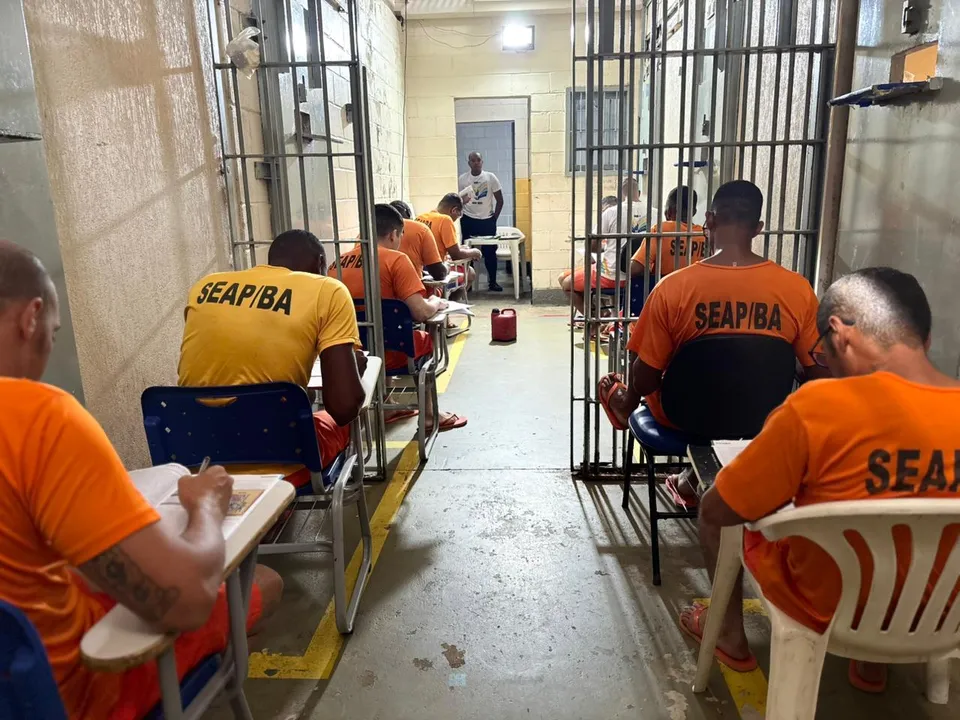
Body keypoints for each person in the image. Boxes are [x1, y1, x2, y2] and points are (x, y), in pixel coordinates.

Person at [0, 240, 283, 720]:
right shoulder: (38, 421)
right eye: (53, 333)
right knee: (263, 584)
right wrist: (206, 505)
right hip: (66, 697)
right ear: (31, 318)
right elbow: (185, 601)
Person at [681, 267, 960, 693]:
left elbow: (722, 508)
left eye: (824, 353)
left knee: (714, 512)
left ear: (842, 336)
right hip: (942, 614)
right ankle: (872, 666)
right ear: (926, 339)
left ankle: (730, 636)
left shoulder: (816, 410)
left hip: (829, 608)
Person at [599, 180, 828, 507]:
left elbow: (646, 380)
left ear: (708, 220)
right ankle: (694, 480)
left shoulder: (672, 289)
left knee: (645, 372)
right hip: (762, 418)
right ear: (758, 228)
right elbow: (820, 375)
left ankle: (625, 406)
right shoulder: (798, 290)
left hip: (682, 416)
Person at [179, 229, 366, 486]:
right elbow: (344, 408)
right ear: (321, 263)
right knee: (343, 422)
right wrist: (353, 368)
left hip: (197, 459)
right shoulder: (328, 290)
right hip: (282, 461)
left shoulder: (206, 285)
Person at [336, 203, 468, 432]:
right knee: (421, 339)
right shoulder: (396, 260)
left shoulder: (337, 263)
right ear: (394, 234)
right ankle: (429, 415)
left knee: (380, 330)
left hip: (351, 354)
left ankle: (387, 402)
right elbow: (420, 312)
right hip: (394, 353)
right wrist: (436, 302)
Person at [559, 177, 658, 320]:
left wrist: (608, 246)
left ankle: (595, 319)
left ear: (621, 194)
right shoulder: (656, 214)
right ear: (639, 192)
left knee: (567, 284)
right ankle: (607, 317)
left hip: (612, 276)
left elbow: (592, 247)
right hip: (644, 276)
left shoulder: (611, 212)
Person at [631, 186, 707, 280]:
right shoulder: (704, 235)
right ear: (694, 212)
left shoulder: (661, 230)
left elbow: (634, 269)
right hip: (696, 288)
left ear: (669, 211)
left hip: (665, 287)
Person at [417, 193, 481, 300]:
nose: (456, 219)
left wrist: (460, 248)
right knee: (470, 273)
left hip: (419, 269)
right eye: (458, 215)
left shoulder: (420, 218)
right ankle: (449, 303)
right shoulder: (445, 220)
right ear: (454, 210)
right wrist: (475, 252)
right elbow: (456, 255)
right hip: (435, 269)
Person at [458, 152, 505, 292]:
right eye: (473, 160)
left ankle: (493, 282)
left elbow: (500, 200)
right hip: (468, 219)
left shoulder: (490, 177)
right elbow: (458, 200)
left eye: (478, 160)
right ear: (469, 163)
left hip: (487, 220)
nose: (476, 162)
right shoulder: (462, 179)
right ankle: (467, 284)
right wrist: (462, 205)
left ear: (482, 162)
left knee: (490, 253)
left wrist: (494, 219)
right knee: (467, 252)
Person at [390, 200, 447, 282]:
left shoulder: (379, 231)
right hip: (412, 286)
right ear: (408, 213)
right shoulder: (421, 229)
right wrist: (447, 267)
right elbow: (438, 273)